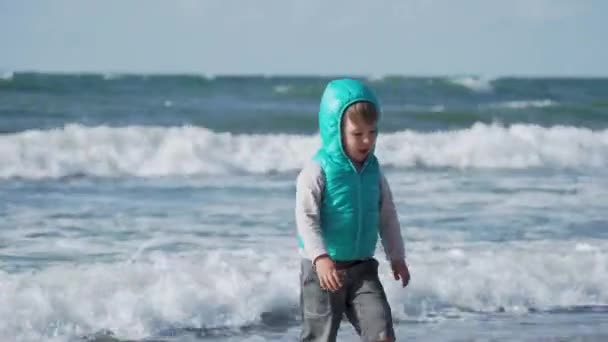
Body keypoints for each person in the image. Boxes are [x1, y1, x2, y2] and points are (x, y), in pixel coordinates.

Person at [296, 78, 410, 342]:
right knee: (319, 337)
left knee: (382, 333)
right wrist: (320, 257)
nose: (367, 140)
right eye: (357, 134)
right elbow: (306, 218)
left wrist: (397, 256)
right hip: (323, 272)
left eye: (373, 132)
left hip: (363, 271)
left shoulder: (374, 171)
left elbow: (387, 216)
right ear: (336, 130)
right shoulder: (317, 171)